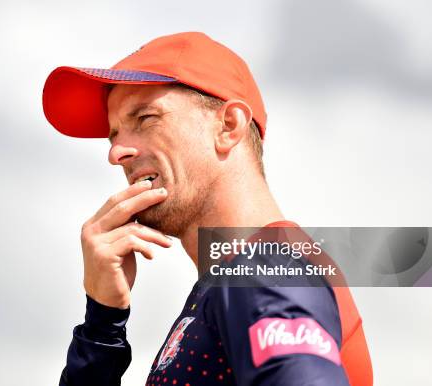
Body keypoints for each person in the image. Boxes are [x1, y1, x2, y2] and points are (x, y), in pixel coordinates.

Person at [42, 32, 373, 386]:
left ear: (228, 127)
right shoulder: (233, 279)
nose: (116, 153)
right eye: (115, 134)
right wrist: (102, 323)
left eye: (146, 118)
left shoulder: (265, 269)